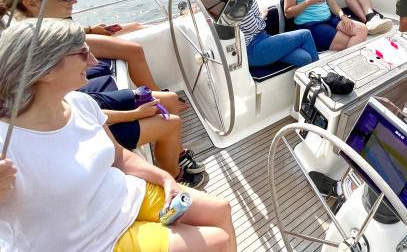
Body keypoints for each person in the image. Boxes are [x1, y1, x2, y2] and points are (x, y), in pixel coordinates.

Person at [0, 19, 236, 251]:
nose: (93, 61)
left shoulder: (81, 103)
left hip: (123, 196)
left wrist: (165, 178)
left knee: (221, 209)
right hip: (89, 240)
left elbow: (119, 156)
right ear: (45, 70)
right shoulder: (5, 142)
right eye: (82, 54)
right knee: (217, 240)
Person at [0, 0, 205, 185]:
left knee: (170, 101)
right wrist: (134, 113)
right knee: (170, 121)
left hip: (84, 107)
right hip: (80, 125)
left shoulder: (43, 40)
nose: (74, 1)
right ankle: (175, 176)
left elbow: (77, 107)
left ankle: (173, 156)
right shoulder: (35, 50)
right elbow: (75, 117)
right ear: (31, 3)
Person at [0, 0, 166, 94]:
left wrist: (90, 29)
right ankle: (156, 93)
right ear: (31, 3)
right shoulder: (37, 40)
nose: (75, 0)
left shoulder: (42, 26)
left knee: (136, 29)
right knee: (133, 49)